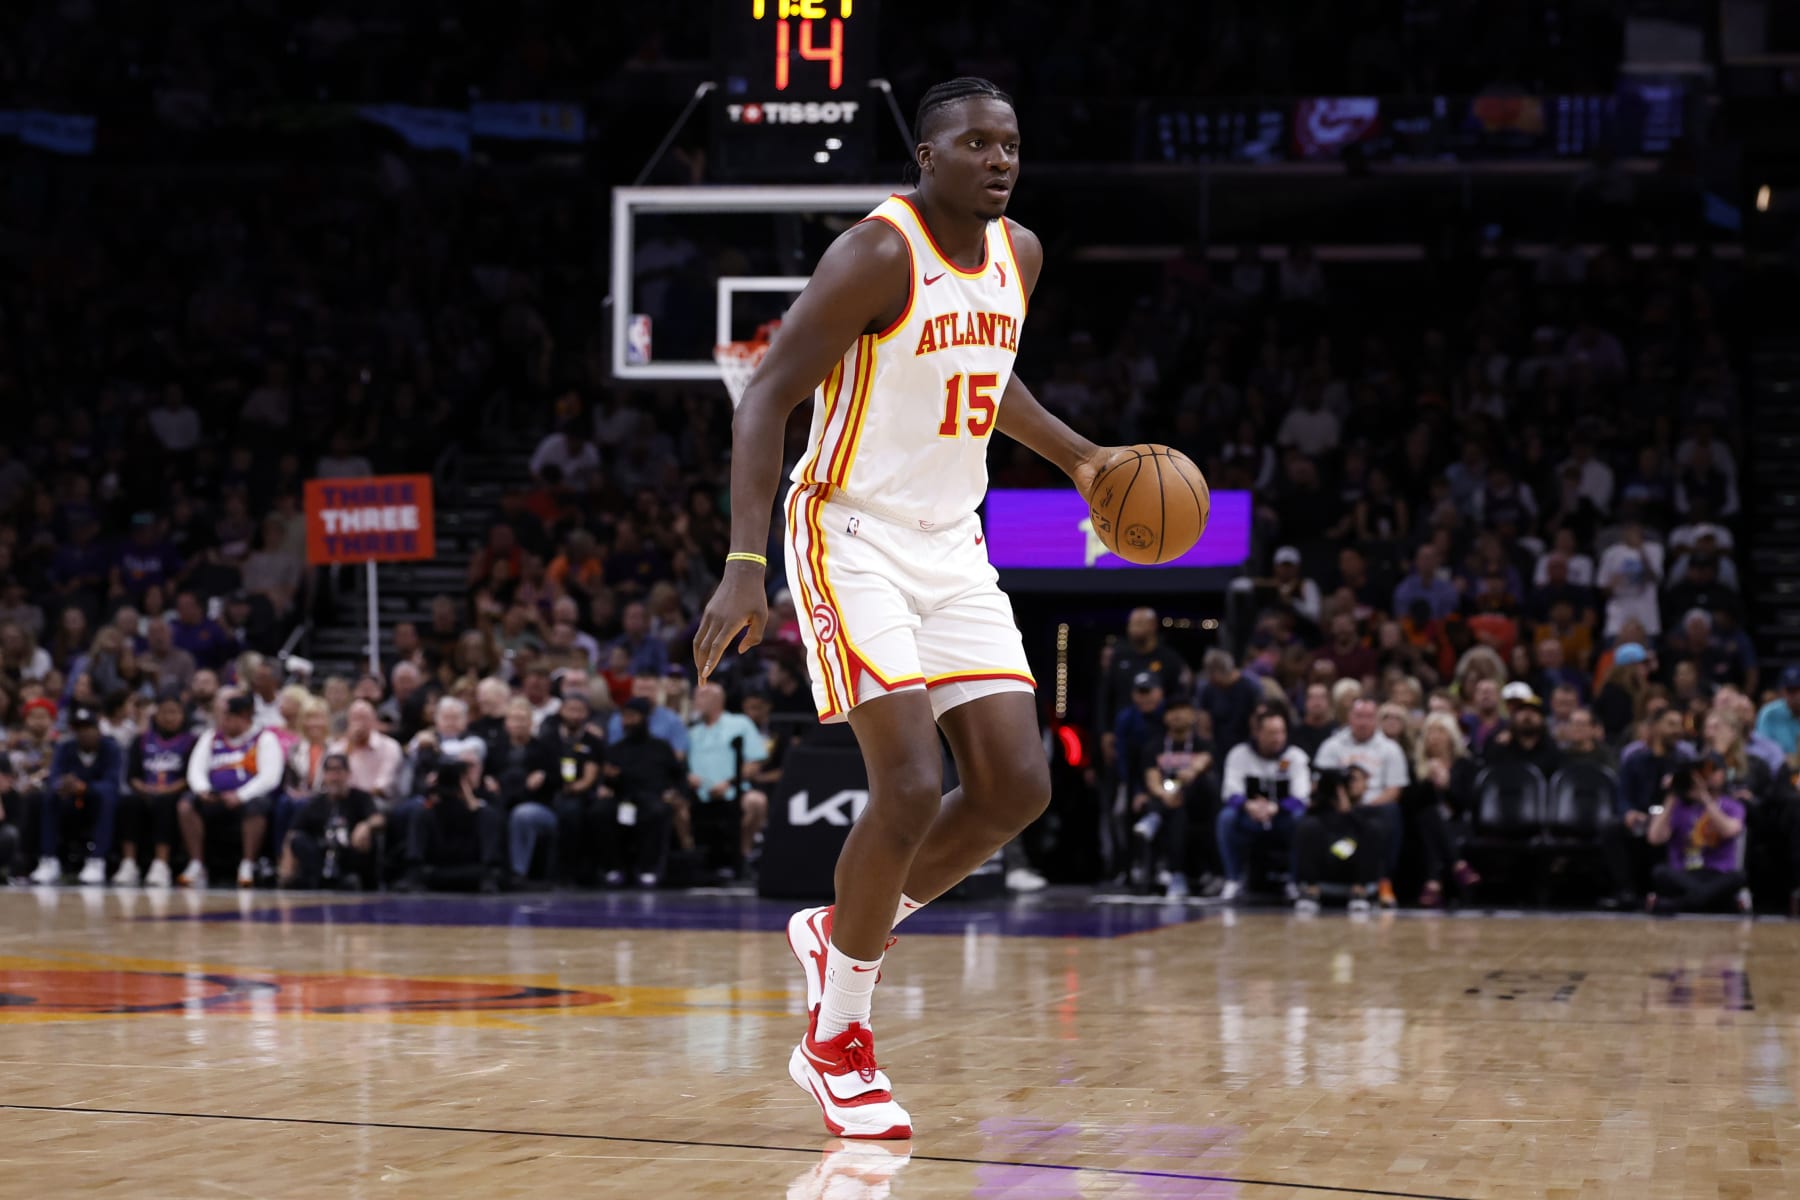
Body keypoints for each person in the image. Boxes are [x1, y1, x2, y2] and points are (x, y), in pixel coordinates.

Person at [690, 76, 1127, 1141]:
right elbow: (767, 395)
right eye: (974, 142)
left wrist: (1080, 457)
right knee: (908, 784)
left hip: (952, 539)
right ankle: (837, 1038)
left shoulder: (1019, 255)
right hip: (849, 532)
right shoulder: (875, 254)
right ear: (925, 158)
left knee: (1019, 785)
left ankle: (841, 929)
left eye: (1009, 142)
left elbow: (986, 376)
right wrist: (746, 561)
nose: (997, 157)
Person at [179, 691, 285, 888]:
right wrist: (203, 790)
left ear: (243, 716)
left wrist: (240, 795)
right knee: (186, 804)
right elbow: (195, 769)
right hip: (215, 797)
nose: (222, 721)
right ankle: (197, 863)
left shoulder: (265, 738)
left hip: (247, 799)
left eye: (227, 717)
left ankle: (247, 865)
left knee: (258, 806)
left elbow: (270, 777)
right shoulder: (211, 737)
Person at [1312, 697, 1410, 907]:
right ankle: (1308, 885)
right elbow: (1320, 782)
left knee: (1389, 814)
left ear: (1375, 720)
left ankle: (1382, 882)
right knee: (1308, 820)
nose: (1363, 722)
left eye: (1368, 717)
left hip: (1373, 807)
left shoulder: (1390, 748)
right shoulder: (1332, 745)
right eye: (1358, 716)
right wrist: (1342, 801)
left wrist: (1363, 806)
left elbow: (1394, 790)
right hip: (1336, 805)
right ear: (1349, 718)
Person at [1216, 707, 1311, 902]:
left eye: (1281, 732)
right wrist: (1250, 806)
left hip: (1282, 820)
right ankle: (1233, 880)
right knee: (1226, 817)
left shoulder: (1295, 757)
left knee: (1301, 819)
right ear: (1257, 733)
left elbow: (1302, 797)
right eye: (1271, 733)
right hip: (1250, 818)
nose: (1277, 738)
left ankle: (1295, 882)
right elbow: (1230, 793)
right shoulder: (1239, 754)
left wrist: (1274, 808)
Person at [1131, 694, 1214, 898]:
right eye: (1171, 711)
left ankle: (1154, 818)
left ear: (1193, 715)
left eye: (1182, 709)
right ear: (1165, 717)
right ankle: (1177, 876)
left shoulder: (1203, 744)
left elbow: (1201, 764)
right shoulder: (1154, 746)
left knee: (1192, 785)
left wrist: (1187, 775)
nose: (1176, 715)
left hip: (1196, 802)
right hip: (1169, 802)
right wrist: (1164, 795)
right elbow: (1152, 780)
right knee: (1177, 814)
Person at [29, 707, 123, 885]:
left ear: (98, 729)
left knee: (106, 799)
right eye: (79, 729)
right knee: (49, 797)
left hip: (97, 802)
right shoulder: (66, 748)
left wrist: (85, 787)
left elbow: (112, 784)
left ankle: (97, 860)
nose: (84, 733)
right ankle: (49, 859)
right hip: (71, 802)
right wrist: (62, 784)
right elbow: (54, 777)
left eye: (88, 727)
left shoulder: (111, 748)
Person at [598, 698, 681, 888]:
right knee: (600, 812)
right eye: (624, 717)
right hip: (622, 798)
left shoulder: (660, 747)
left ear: (644, 718)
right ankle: (613, 868)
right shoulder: (615, 749)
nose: (628, 721)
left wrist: (674, 792)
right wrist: (609, 780)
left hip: (652, 797)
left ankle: (648, 869)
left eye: (632, 716)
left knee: (657, 813)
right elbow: (608, 782)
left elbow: (677, 775)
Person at [1646, 759, 1747, 915]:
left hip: (1716, 873)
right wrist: (1672, 795)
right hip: (1683, 874)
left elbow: (1729, 830)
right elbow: (1654, 838)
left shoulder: (1731, 805)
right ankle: (1706, 901)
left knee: (1738, 877)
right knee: (1660, 872)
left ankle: (1677, 905)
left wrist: (1704, 798)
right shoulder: (1677, 806)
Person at [686, 682, 770, 868]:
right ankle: (691, 859)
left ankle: (742, 855)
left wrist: (729, 783)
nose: (696, 701)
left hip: (733, 790)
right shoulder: (692, 732)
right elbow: (679, 764)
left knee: (757, 802)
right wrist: (688, 777)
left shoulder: (740, 723)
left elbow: (755, 763)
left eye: (701, 696)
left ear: (717, 700)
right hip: (697, 792)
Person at [118, 690, 194, 888]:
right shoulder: (141, 740)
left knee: (164, 803)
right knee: (130, 801)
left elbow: (190, 777)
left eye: (174, 712)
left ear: (182, 715)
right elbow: (132, 775)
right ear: (156, 715)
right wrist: (143, 787)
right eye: (164, 712)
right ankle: (129, 863)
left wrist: (167, 789)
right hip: (145, 792)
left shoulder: (191, 741)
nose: (169, 718)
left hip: (174, 793)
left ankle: (161, 864)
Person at [1097, 607, 1188, 768]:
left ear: (1153, 625)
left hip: (1159, 732)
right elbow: (1105, 698)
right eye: (1131, 624)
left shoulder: (1169, 659)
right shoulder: (1119, 657)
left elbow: (1179, 698)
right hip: (1124, 733)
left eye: (1139, 624)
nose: (1133, 629)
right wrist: (1106, 732)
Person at [281, 753, 382, 889]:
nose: (334, 777)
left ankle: (356, 880)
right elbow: (293, 832)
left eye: (338, 771)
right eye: (330, 772)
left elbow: (379, 819)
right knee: (298, 840)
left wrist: (365, 826)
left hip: (349, 854)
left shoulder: (360, 798)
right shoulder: (315, 803)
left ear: (348, 774)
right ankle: (314, 880)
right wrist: (286, 868)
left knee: (369, 839)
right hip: (321, 857)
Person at [1292, 767, 1384, 914]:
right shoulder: (1319, 814)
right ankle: (1310, 890)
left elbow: (1371, 835)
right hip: (1324, 873)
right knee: (1307, 827)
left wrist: (1349, 811)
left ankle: (1359, 891)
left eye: (1355, 780)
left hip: (1355, 877)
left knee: (1372, 829)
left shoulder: (1371, 812)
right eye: (1348, 781)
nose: (1351, 784)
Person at [539, 690, 608, 884]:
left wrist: (576, 788)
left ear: (587, 714)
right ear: (561, 710)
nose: (575, 715)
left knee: (577, 811)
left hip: (582, 794)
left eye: (580, 711)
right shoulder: (548, 738)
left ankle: (575, 871)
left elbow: (590, 776)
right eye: (571, 710)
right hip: (550, 791)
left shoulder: (593, 741)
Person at [1195, 648, 1262, 755]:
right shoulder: (1208, 689)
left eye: (1211, 674)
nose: (1209, 678)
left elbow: (1258, 717)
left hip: (1246, 746)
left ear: (1217, 671)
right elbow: (1204, 724)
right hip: (1219, 748)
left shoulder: (1250, 686)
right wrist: (1207, 749)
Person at [1755, 665, 1800, 768]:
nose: (1795, 695)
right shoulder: (1769, 713)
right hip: (1779, 769)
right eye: (1790, 690)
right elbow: (1762, 747)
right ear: (1783, 691)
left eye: (1798, 689)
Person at [1290, 682, 1338, 759]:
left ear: (1329, 702)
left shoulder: (1338, 731)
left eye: (1321, 697)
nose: (1317, 702)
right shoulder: (1295, 733)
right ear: (1305, 702)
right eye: (1312, 697)